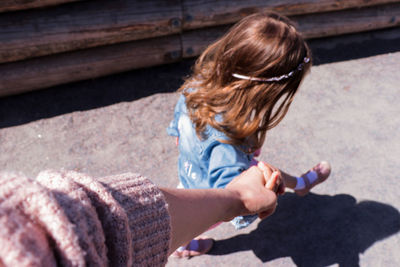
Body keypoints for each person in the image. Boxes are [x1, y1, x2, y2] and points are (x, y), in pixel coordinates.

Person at [167, 12, 331, 257]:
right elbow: (235, 200)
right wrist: (265, 198)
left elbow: (177, 130)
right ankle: (184, 245)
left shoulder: (197, 86)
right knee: (189, 220)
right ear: (264, 92)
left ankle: (300, 185)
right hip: (208, 193)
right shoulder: (228, 140)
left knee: (263, 167)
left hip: (189, 171)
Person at [0, 163, 279, 266]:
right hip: (196, 205)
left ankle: (188, 244)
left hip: (190, 202)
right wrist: (237, 198)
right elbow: (87, 230)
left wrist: (236, 198)